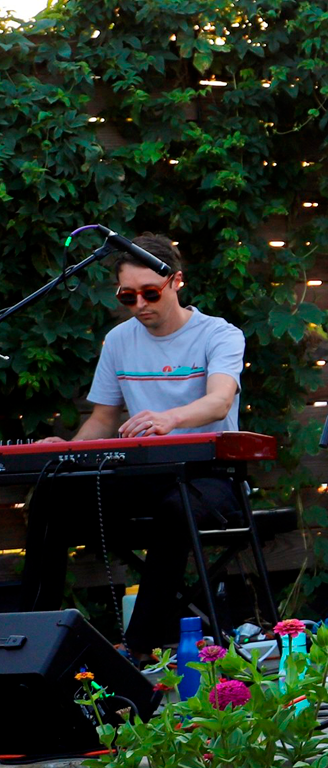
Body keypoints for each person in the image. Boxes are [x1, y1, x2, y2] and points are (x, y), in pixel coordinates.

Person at [23, 234, 249, 657]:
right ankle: (32, 638)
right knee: (53, 492)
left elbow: (220, 401)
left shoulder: (219, 334)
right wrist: (67, 451)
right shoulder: (119, 340)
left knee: (174, 508)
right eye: (129, 296)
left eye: (150, 293)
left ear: (176, 282)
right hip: (145, 472)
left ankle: (139, 646)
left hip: (210, 475)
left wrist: (170, 419)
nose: (141, 304)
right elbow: (104, 419)